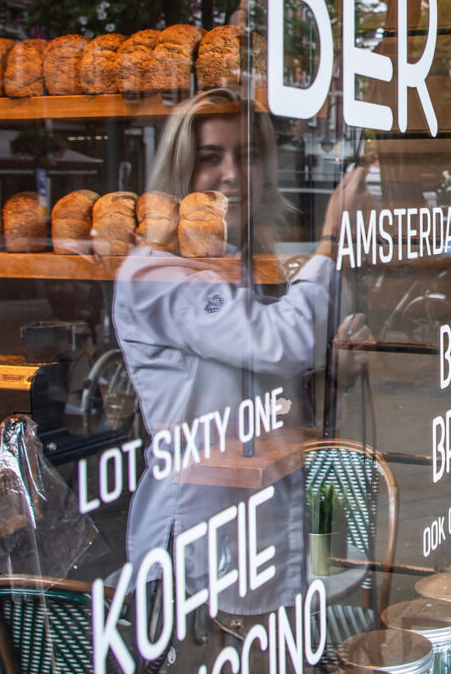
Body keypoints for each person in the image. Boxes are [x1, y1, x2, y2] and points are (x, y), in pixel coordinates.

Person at [112, 88, 366, 667]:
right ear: (180, 168)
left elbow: (275, 399)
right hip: (200, 529)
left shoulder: (248, 265)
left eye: (248, 154)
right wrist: (332, 236)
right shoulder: (156, 270)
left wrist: (337, 380)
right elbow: (277, 343)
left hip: (268, 522)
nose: (232, 173)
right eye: (210, 156)